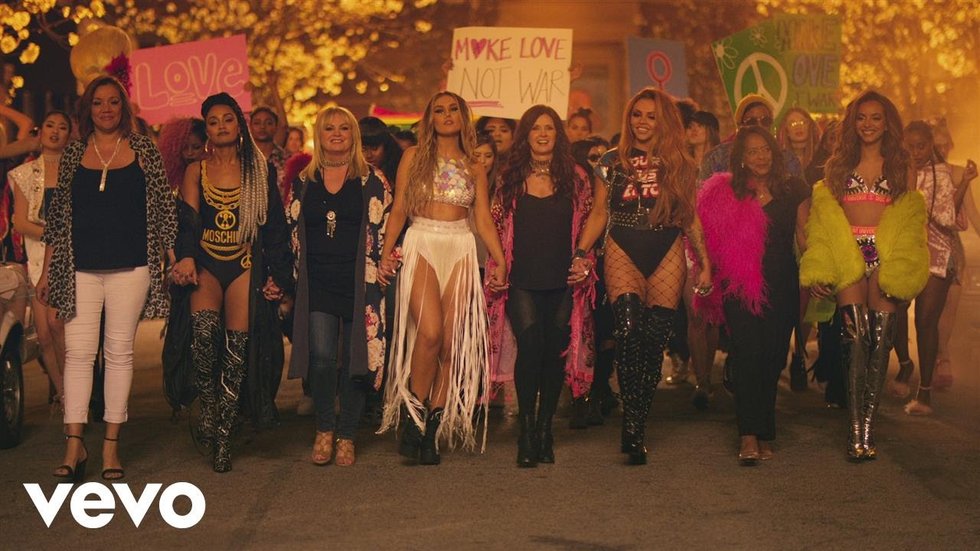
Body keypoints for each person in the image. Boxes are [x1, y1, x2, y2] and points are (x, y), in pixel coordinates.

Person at [39, 76, 177, 481]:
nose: (105, 109)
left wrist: (175, 258)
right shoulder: (73, 153)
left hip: (132, 268)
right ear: (88, 109)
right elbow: (58, 218)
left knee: (119, 354)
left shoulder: (144, 150)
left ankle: (111, 447)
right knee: (78, 355)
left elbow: (163, 212)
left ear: (123, 107)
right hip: (79, 268)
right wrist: (47, 271)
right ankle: (74, 444)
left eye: (113, 102)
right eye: (98, 102)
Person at [573, 88, 712, 465]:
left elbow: (690, 215)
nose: (643, 122)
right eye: (637, 114)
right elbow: (599, 212)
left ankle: (636, 418)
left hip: (667, 245)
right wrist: (582, 252)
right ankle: (632, 426)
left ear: (663, 120)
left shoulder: (679, 162)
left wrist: (705, 262)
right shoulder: (610, 161)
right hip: (623, 244)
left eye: (651, 116)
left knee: (654, 341)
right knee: (628, 330)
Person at [377, 91, 507, 465]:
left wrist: (499, 261)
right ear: (430, 118)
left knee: (450, 345)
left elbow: (482, 219)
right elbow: (399, 208)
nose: (447, 115)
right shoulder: (413, 157)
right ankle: (414, 415)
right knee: (430, 332)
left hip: (461, 246)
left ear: (463, 118)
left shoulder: (474, 165)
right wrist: (386, 252)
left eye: (453, 110)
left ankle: (432, 428)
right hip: (422, 240)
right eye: (439, 110)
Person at [168, 92, 293, 473]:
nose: (221, 126)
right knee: (204, 340)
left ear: (239, 125)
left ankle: (224, 434)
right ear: (206, 129)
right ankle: (209, 408)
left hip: (244, 264)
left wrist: (279, 277)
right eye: (213, 121)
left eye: (227, 119)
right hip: (207, 262)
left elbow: (274, 227)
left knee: (237, 352)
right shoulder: (196, 171)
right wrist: (185, 257)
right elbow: (187, 223)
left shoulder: (259, 170)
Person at [800, 90, 928, 461]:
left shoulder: (901, 166)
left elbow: (910, 222)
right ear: (852, 123)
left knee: (880, 341)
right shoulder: (838, 166)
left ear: (887, 124)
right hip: (849, 256)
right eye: (861, 117)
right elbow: (824, 223)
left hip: (885, 258)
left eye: (875, 118)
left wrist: (905, 270)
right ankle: (856, 429)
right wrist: (821, 266)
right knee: (854, 340)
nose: (868, 124)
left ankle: (868, 425)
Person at [485, 105, 595, 467]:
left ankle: (546, 430)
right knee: (531, 344)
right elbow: (494, 225)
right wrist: (498, 264)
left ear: (558, 134)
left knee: (553, 352)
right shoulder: (510, 177)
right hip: (522, 278)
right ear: (526, 135)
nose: (543, 134)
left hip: (562, 279)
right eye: (536, 128)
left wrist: (583, 260)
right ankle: (526, 430)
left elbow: (590, 223)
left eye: (549, 128)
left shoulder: (576, 178)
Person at [285, 106, 392, 466]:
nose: (336, 133)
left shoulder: (373, 180)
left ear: (353, 135)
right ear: (319, 134)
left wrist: (388, 261)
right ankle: (324, 428)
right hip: (318, 282)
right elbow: (291, 229)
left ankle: (347, 434)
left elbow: (390, 227)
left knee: (356, 361)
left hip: (360, 283)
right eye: (329, 127)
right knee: (322, 358)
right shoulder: (304, 180)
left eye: (344, 128)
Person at [696, 127, 809, 464]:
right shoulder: (726, 192)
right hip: (739, 285)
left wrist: (820, 272)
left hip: (782, 284)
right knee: (747, 355)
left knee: (773, 359)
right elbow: (705, 233)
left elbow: (805, 237)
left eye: (765, 150)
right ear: (741, 159)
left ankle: (764, 431)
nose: (761, 157)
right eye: (753, 151)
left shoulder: (793, 189)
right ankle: (748, 434)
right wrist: (706, 270)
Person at [891, 121, 974, 415]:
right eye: (910, 147)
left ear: (931, 147)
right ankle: (905, 364)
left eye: (921, 146)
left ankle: (924, 393)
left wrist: (964, 183)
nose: (915, 152)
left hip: (936, 254)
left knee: (925, 321)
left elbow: (949, 218)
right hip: (902, 253)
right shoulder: (894, 172)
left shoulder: (942, 174)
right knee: (894, 312)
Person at [9, 111, 72, 410]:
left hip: (70, 255)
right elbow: (20, 222)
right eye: (50, 125)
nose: (55, 131)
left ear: (70, 135)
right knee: (44, 335)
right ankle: (63, 392)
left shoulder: (78, 171)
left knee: (58, 324)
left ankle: (75, 391)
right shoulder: (25, 174)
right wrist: (53, 233)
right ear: (41, 131)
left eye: (62, 127)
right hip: (36, 257)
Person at [926, 118, 977, 389]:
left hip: (952, 246)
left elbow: (973, 216)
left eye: (946, 144)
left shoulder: (958, 174)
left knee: (950, 306)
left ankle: (942, 357)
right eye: (938, 145)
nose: (943, 149)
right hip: (923, 245)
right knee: (927, 310)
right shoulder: (917, 174)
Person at [699, 94, 803, 183]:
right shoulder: (717, 157)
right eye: (751, 121)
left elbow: (801, 194)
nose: (759, 126)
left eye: (765, 120)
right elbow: (703, 195)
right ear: (740, 126)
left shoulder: (787, 159)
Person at [250, 106, 288, 204]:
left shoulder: (286, 160)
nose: (262, 127)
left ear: (276, 127)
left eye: (268, 123)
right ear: (250, 127)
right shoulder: (241, 158)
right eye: (257, 123)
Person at [157, 117, 207, 192]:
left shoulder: (213, 176)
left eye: (196, 147)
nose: (190, 153)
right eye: (184, 147)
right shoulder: (168, 179)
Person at [359, 116, 403, 186]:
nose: (369, 155)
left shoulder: (400, 171)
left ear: (386, 146)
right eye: (363, 149)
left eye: (374, 148)